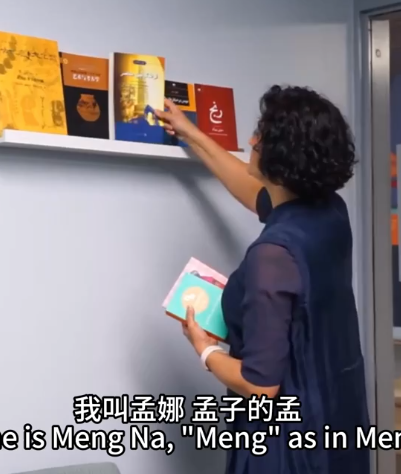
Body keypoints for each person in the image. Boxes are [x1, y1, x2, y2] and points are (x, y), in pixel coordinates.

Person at [153, 85, 370, 474]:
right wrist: (192, 134)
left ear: (283, 158)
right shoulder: (329, 212)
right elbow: (253, 190)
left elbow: (260, 386)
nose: (252, 141)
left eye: (260, 135)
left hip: (286, 447)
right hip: (334, 420)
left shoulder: (271, 256)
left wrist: (205, 349)